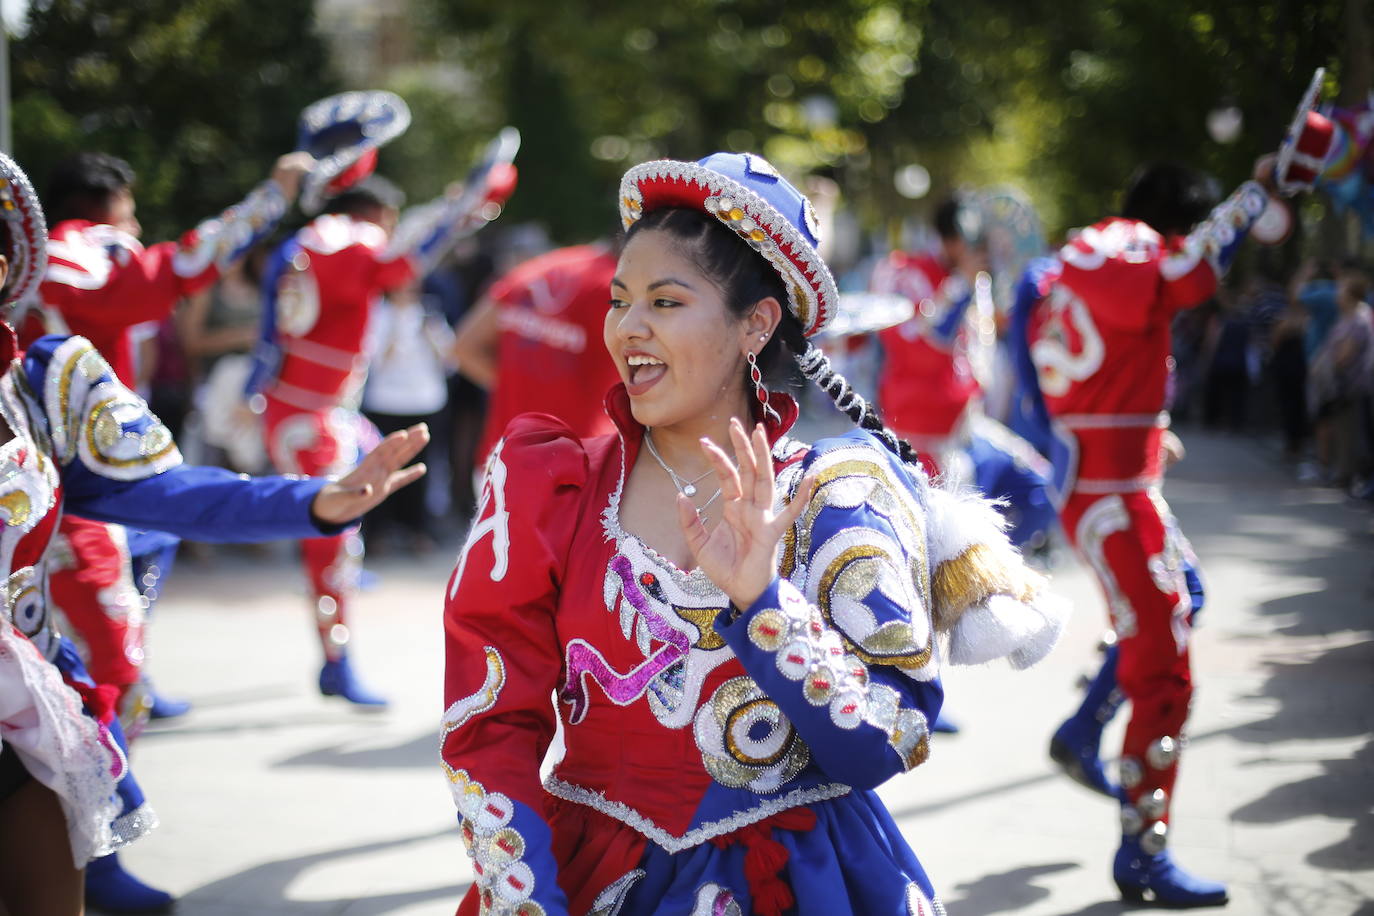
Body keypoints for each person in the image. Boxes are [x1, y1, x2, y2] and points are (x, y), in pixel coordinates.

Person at [441, 153, 1065, 915]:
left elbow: (886, 741)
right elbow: (491, 727)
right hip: (588, 881)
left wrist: (763, 602)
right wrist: (526, 896)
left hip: (799, 880)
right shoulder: (551, 490)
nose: (627, 328)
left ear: (756, 325)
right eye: (619, 300)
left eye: (665, 303)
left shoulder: (837, 497)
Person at [0, 151, 429, 914]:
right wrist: (272, 199)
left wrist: (315, 503)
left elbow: (169, 493)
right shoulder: (87, 259)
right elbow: (169, 272)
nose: (128, 234)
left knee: (119, 666)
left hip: (19, 699)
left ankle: (101, 859)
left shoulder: (40, 382)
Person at [1011, 159, 1277, 907]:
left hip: (1115, 484)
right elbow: (1190, 277)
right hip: (1112, 496)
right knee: (1164, 668)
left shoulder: (1084, 255)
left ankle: (1087, 731)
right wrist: (1263, 188)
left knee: (1178, 604)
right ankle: (1142, 853)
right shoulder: (1129, 250)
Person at [255, 162, 514, 707]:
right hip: (313, 414)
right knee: (329, 543)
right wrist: (461, 206)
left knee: (370, 475)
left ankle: (346, 587)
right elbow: (401, 266)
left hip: (311, 406)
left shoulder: (315, 239)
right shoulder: (348, 241)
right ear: (376, 215)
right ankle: (336, 663)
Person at [870, 197, 1057, 553]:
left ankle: (991, 569)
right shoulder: (904, 271)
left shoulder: (976, 279)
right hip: (922, 439)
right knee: (942, 545)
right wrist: (960, 284)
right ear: (950, 238)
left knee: (1042, 487)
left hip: (968, 429)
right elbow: (931, 338)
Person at [451, 241, 621, 465]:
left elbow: (464, 347)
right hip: (577, 468)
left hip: (501, 462)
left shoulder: (538, 268)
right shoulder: (616, 289)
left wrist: (519, 386)